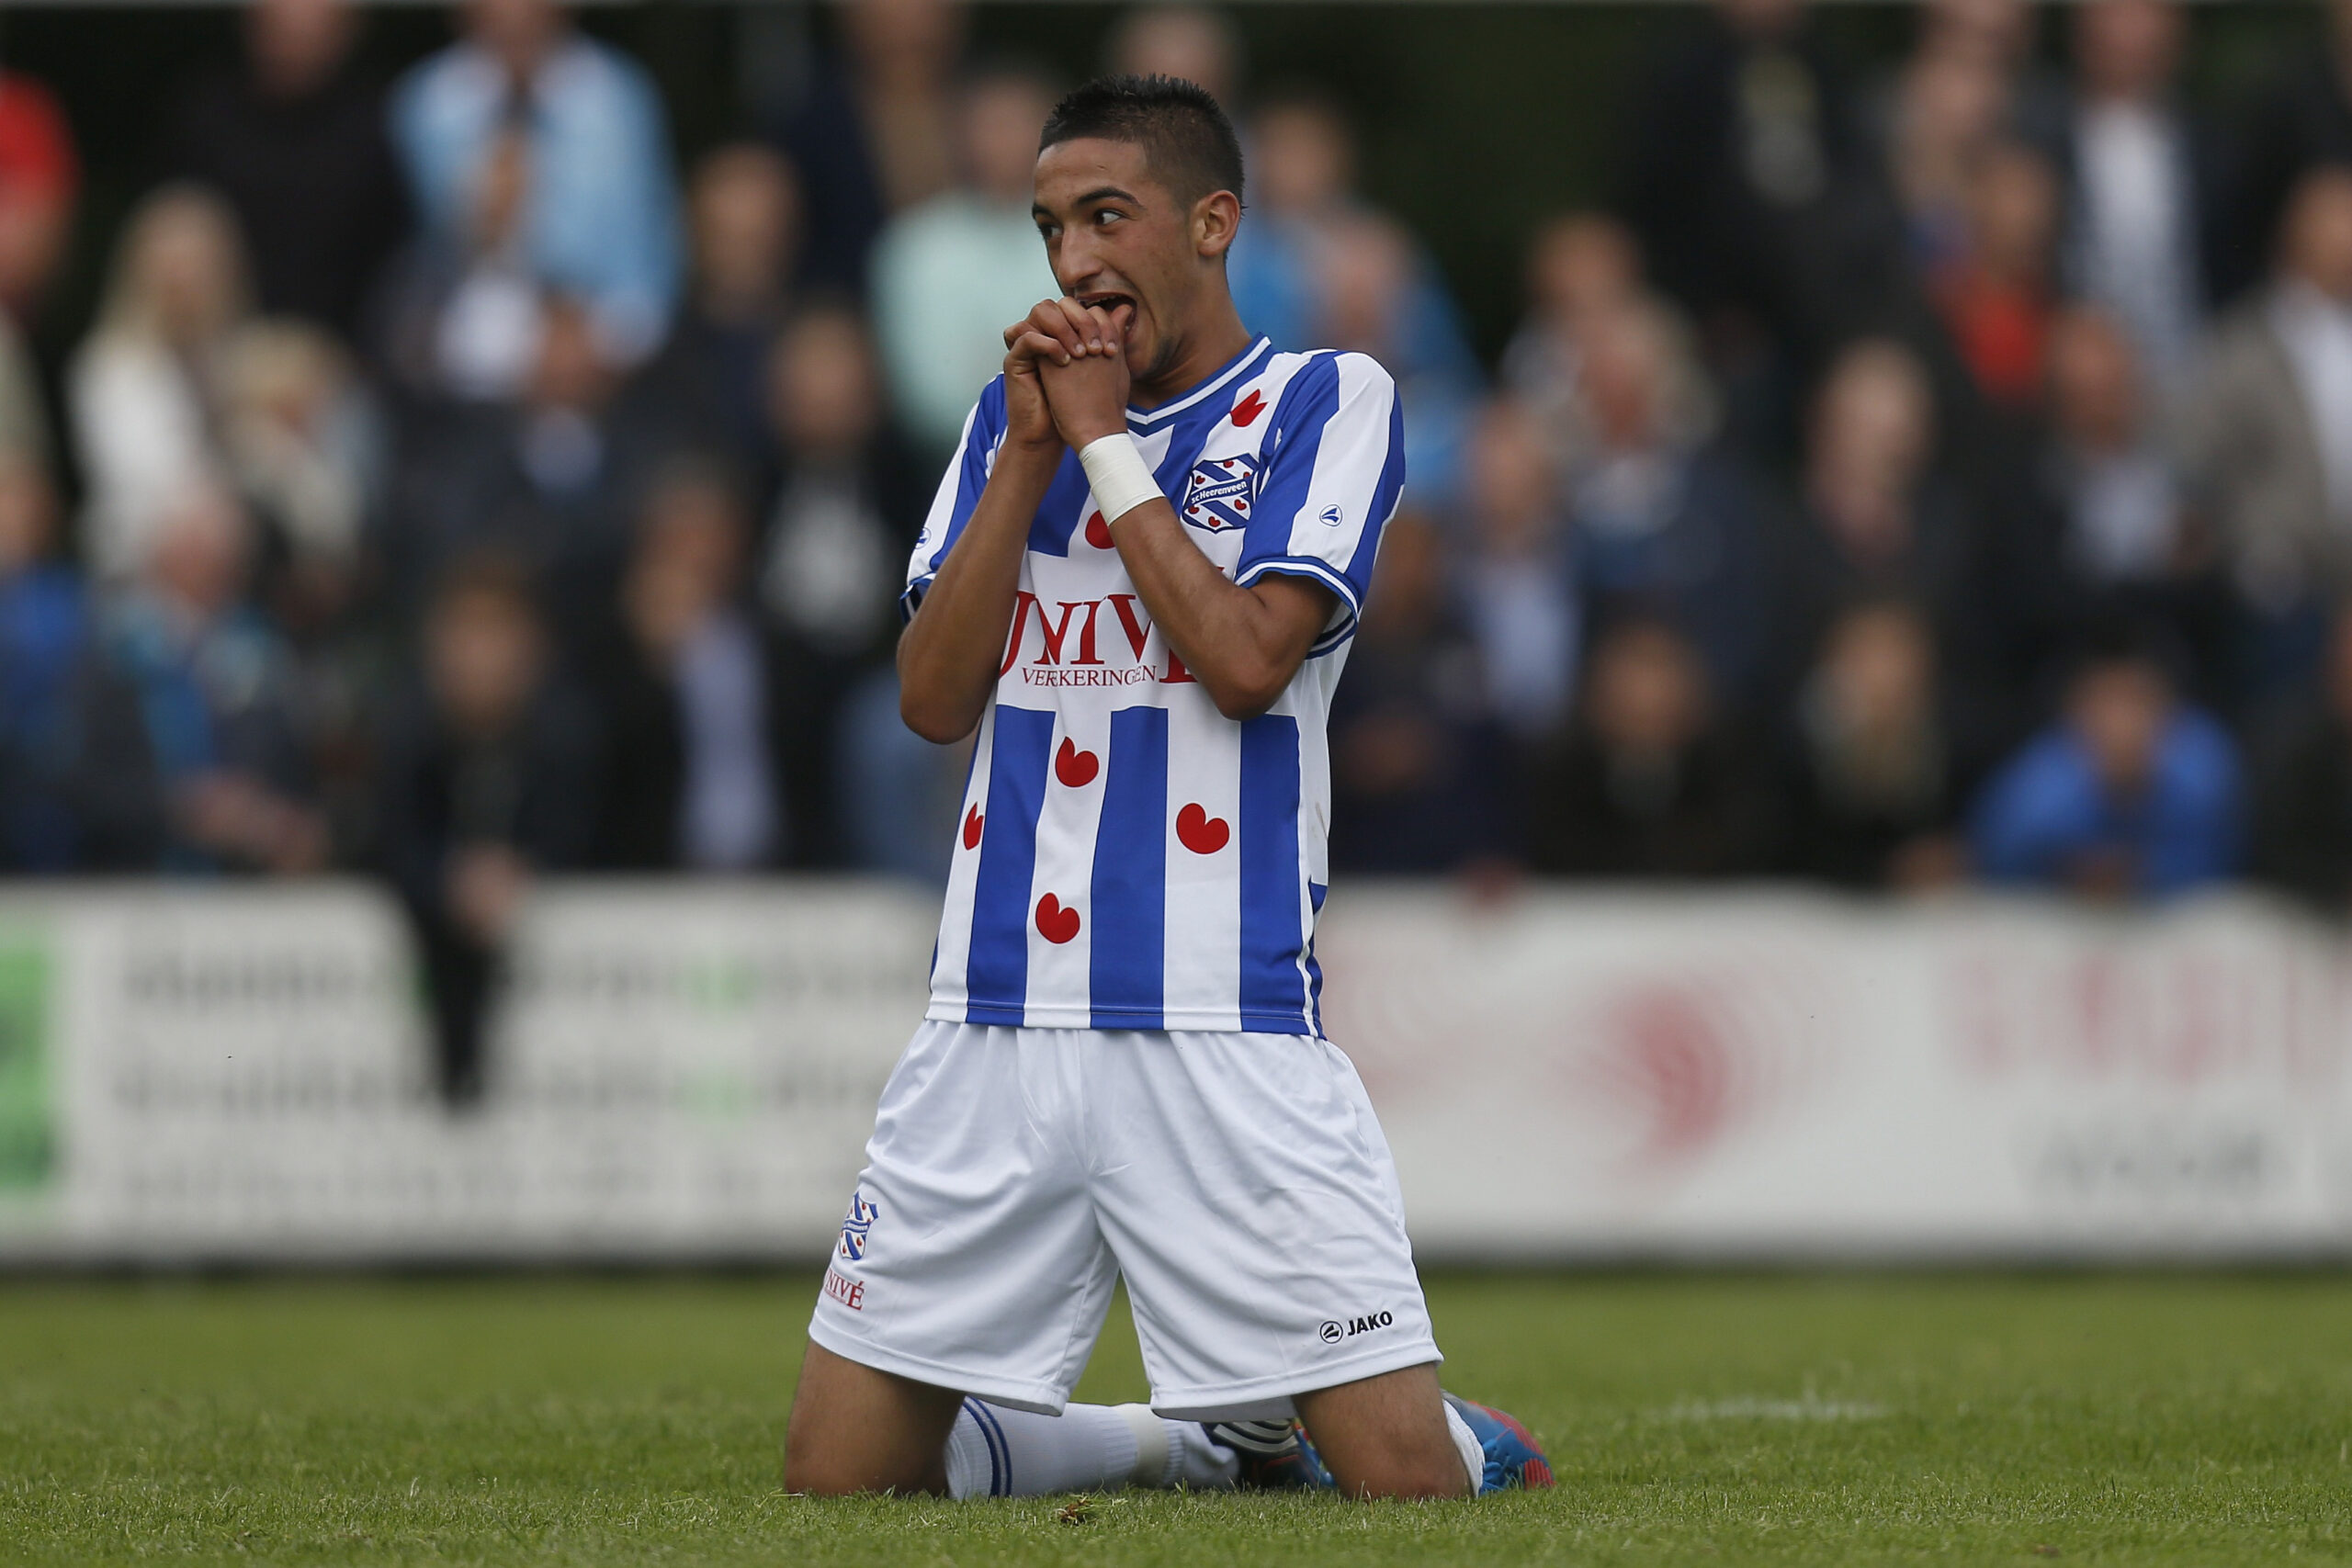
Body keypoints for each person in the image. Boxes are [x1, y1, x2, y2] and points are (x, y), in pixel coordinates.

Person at [784, 74, 1549, 1504]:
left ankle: (1414, 1425)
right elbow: (934, 697)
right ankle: (1181, 1437)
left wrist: (1101, 445)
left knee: (1408, 1487)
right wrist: (1027, 452)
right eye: (1050, 225)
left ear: (1213, 224)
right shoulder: (1008, 430)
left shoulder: (1328, 399)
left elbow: (1249, 657)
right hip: (994, 1014)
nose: (1072, 260)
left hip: (1221, 1011)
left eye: (1106, 216)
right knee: (839, 1481)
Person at [375, 554, 600, 1101]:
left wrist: (527, 873)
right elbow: (388, 844)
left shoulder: (571, 741)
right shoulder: (403, 741)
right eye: (466, 637)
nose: (480, 658)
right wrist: (449, 882)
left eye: (497, 636)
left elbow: (586, 839)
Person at [389, 0, 682, 366]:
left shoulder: (621, 99)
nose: (515, 11)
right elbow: (416, 257)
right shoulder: (424, 104)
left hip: (601, 346)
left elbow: (649, 261)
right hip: (458, 354)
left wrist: (606, 340)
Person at [2186, 164, 2352, 700]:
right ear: (2296, 230)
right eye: (2336, 216)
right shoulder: (2243, 346)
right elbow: (2194, 457)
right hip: (2283, 593)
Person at [165, 0, 411, 338]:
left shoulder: (383, 125)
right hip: (221, 348)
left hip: (345, 359)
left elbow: (396, 265)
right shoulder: (206, 119)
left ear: (349, 27)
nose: (294, 29)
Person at [595, 463, 786, 873]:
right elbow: (607, 770)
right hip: (649, 875)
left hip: (777, 876)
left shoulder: (776, 646)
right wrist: (651, 662)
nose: (698, 553)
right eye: (680, 537)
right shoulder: (610, 653)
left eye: (713, 536)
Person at [870, 64, 1062, 457]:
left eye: (1020, 124)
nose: (1005, 141)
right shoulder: (913, 247)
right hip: (946, 462)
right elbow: (926, 396)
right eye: (992, 126)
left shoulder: (1089, 242)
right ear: (960, 136)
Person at [1971, 625, 2241, 899]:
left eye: (2139, 701)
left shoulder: (2206, 771)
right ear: (2074, 713)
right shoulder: (2033, 792)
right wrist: (2066, 871)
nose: (2123, 723)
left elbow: (2223, 860)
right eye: (2107, 702)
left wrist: (2145, 871)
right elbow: (1998, 870)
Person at [1522, 613, 1773, 879]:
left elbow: (1744, 853)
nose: (1647, 692)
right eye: (1634, 667)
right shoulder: (1560, 775)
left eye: (1660, 667)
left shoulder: (1729, 770)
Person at [1781, 598, 1968, 888]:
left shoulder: (1962, 742)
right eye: (1866, 654)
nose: (1883, 673)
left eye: (1896, 653)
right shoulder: (1789, 747)